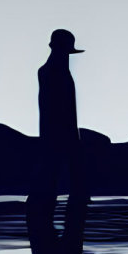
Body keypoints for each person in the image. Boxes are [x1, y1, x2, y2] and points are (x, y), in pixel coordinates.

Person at [36, 28, 84, 194]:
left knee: (54, 175)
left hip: (59, 133)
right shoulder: (53, 73)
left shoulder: (53, 72)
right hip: (57, 133)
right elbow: (59, 107)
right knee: (51, 174)